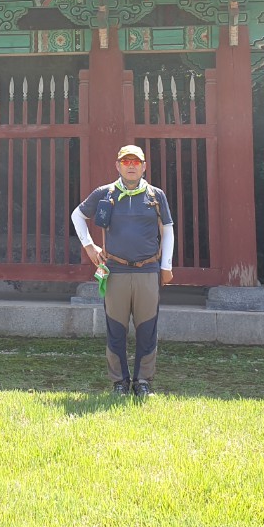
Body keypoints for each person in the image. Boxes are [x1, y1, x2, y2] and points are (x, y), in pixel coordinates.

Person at [71, 144, 174, 398]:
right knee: (116, 329)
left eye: (136, 162)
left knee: (147, 329)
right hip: (115, 271)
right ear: (117, 165)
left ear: (144, 166)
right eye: (126, 162)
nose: (131, 166)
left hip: (147, 271)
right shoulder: (104, 193)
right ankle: (119, 382)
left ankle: (143, 382)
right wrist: (89, 246)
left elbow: (168, 230)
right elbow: (77, 215)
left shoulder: (156, 195)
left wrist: (166, 266)